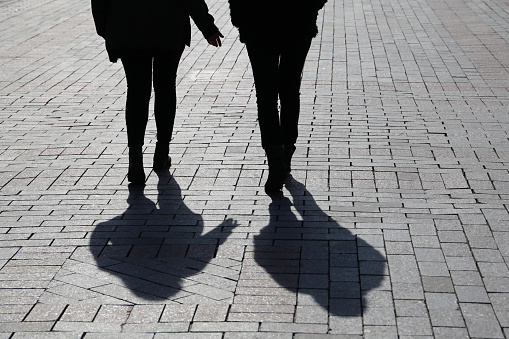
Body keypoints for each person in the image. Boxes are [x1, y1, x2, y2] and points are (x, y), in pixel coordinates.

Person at [91, 0, 223, 184]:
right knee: (165, 86)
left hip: (128, 26)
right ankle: (162, 151)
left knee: (137, 90)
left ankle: (135, 156)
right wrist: (207, 27)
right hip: (168, 24)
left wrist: (107, 27)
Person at [228, 0, 327, 194]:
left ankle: (275, 157)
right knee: (289, 91)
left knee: (266, 94)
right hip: (297, 21)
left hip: (258, 22)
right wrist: (309, 8)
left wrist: (240, 17)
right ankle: (286, 150)